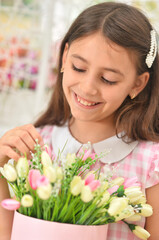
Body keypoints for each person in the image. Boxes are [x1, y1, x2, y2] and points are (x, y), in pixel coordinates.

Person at [0, 2, 159, 239]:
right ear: (64, 58)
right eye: (79, 67)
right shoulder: (36, 145)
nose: (87, 88)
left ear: (138, 84)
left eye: (107, 79)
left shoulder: (150, 164)